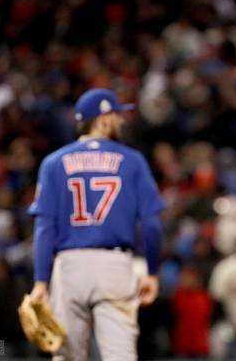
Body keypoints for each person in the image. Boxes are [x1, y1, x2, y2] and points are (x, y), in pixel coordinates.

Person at [28, 88, 165, 360]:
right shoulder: (132, 161)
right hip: (114, 266)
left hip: (68, 267)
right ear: (102, 118)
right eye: (116, 114)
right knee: (121, 356)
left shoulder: (53, 163)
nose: (122, 121)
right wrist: (152, 271)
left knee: (66, 357)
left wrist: (40, 282)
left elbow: (44, 229)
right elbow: (151, 224)